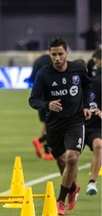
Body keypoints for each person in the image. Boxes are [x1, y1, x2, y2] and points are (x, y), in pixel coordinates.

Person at [29, 38, 92, 215]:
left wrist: (86, 105)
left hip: (75, 120)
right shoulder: (43, 75)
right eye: (54, 54)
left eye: (60, 54)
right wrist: (47, 104)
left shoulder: (78, 69)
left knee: (72, 157)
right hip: (54, 124)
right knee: (61, 161)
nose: (57, 58)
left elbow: (87, 86)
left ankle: (60, 201)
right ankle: (72, 188)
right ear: (49, 54)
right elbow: (33, 100)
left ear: (67, 53)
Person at [74, 58, 102, 196]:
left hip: (94, 126)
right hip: (75, 126)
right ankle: (74, 187)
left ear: (86, 71)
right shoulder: (69, 89)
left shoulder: (97, 84)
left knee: (99, 145)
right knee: (72, 156)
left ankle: (92, 182)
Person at [29, 50, 54, 160]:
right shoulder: (54, 61)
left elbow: (31, 78)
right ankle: (41, 141)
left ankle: (47, 151)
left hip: (39, 96)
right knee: (54, 124)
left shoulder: (38, 61)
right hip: (51, 96)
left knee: (45, 123)